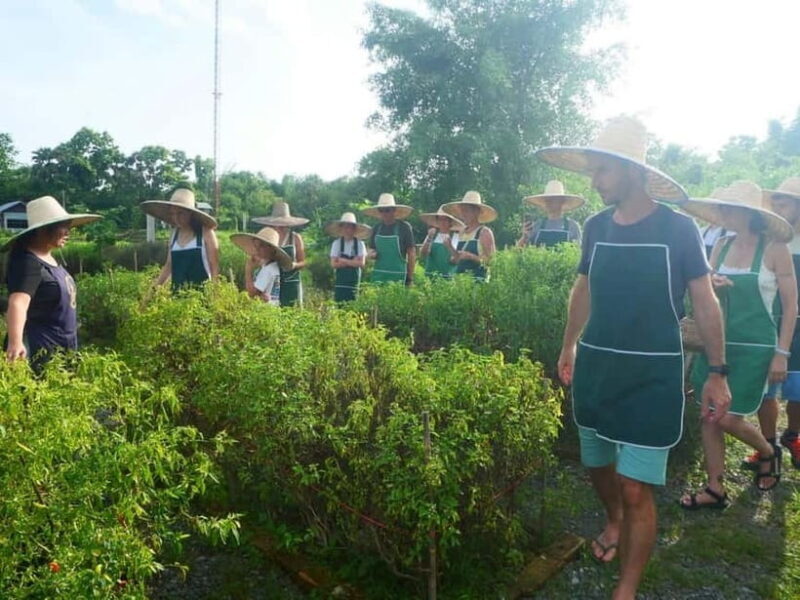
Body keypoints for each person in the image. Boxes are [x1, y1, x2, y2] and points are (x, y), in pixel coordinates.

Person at [536, 116, 730, 600]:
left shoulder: (679, 230)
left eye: (600, 171)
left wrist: (718, 373)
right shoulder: (597, 227)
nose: (594, 181)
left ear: (629, 170)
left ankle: (626, 587)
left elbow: (705, 302)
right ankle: (613, 519)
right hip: (598, 368)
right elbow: (583, 286)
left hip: (652, 375)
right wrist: (568, 344)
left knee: (637, 485)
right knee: (597, 463)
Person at [680, 181, 795, 502]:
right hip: (717, 345)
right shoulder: (721, 245)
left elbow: (790, 306)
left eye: (727, 208)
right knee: (709, 415)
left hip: (756, 347)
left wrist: (782, 353)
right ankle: (715, 487)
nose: (721, 213)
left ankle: (768, 452)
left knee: (729, 417)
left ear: (747, 213)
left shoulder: (775, 249)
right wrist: (714, 285)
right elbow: (707, 296)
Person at [742, 177, 800, 470]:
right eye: (775, 200)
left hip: (797, 324)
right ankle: (768, 445)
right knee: (768, 390)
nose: (778, 205)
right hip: (767, 322)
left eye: (785, 200)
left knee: (798, 389)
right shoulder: (769, 242)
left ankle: (793, 436)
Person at [3, 196, 101, 369]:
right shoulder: (28, 262)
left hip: (61, 348)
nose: (68, 232)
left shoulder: (49, 258)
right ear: (43, 230)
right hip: (38, 350)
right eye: (63, 227)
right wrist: (15, 343)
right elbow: (18, 303)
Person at [141, 188, 219, 291]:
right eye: (173, 214)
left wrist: (215, 296)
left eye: (180, 213)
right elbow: (169, 266)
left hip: (202, 298)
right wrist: (152, 292)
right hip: (177, 299)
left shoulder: (206, 233)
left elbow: (214, 267)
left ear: (190, 213)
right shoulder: (174, 235)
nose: (176, 218)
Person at [253, 202, 308, 307]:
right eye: (277, 224)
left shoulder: (295, 238)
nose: (279, 227)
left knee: (293, 314)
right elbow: (255, 258)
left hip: (291, 283)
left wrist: (294, 265)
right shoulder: (267, 239)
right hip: (272, 283)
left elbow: (303, 262)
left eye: (282, 224)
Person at [362, 193, 416, 285]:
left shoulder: (404, 228)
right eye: (381, 210)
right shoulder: (376, 228)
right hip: (379, 276)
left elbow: (411, 253)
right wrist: (371, 253)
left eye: (387, 210)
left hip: (398, 276)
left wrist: (410, 278)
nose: (384, 213)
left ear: (394, 210)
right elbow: (371, 248)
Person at [442, 191, 496, 281]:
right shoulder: (462, 232)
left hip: (479, 284)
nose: (463, 214)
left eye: (466, 210)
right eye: (462, 210)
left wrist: (472, 257)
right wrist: (450, 247)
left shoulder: (484, 232)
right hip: (461, 283)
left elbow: (493, 262)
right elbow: (457, 259)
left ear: (476, 212)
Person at [231, 226, 292, 306]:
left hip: (265, 311)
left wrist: (248, 269)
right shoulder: (273, 266)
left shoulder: (267, 270)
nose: (257, 249)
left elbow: (251, 293)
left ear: (271, 249)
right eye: (257, 245)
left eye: (261, 246)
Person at [517, 180, 583, 248]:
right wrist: (524, 237)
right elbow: (520, 252)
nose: (548, 202)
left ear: (561, 202)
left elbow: (578, 253)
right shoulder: (537, 225)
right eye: (547, 200)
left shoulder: (572, 227)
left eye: (552, 200)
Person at [325, 212, 371, 303]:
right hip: (340, 283)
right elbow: (334, 264)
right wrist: (352, 262)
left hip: (354, 283)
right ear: (341, 228)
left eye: (350, 227)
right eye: (345, 226)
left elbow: (361, 263)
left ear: (354, 229)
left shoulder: (360, 244)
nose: (347, 229)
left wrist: (343, 260)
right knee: (339, 305)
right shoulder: (336, 243)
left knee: (353, 304)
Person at [419, 205, 464, 279]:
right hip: (430, 277)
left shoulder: (456, 237)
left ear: (450, 222)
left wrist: (450, 247)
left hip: (448, 278)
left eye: (445, 219)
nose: (442, 222)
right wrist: (429, 238)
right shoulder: (432, 235)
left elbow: (456, 260)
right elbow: (423, 254)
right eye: (440, 219)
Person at [699, 188, 731, 257]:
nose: (713, 211)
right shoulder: (701, 232)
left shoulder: (729, 234)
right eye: (711, 208)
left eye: (717, 208)